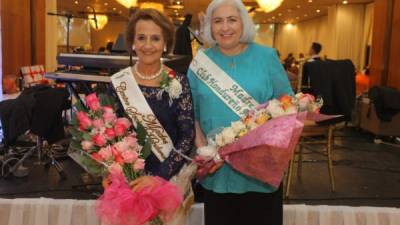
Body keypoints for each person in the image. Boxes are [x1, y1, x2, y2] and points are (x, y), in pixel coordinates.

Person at [187, 0, 293, 224]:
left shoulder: (267, 57)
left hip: (261, 171)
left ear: (243, 23)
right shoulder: (201, 62)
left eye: (232, 20)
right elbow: (191, 113)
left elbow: (288, 107)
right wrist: (206, 151)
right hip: (218, 172)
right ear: (210, 27)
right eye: (218, 21)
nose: (225, 27)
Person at [124, 8, 194, 181]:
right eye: (141, 38)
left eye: (155, 38)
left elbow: (187, 137)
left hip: (167, 180)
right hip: (127, 179)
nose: (147, 45)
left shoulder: (179, 82)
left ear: (165, 44)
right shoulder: (120, 82)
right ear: (133, 42)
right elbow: (110, 135)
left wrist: (158, 177)